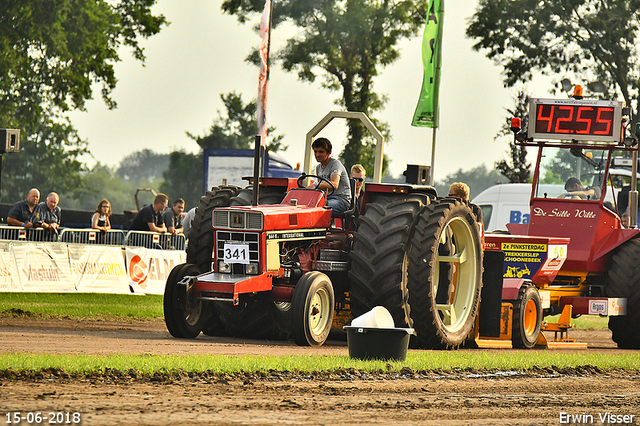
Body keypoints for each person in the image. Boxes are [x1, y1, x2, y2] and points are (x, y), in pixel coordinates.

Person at [309, 137, 351, 216]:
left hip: (341, 200)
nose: (317, 155)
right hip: (326, 198)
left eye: (321, 152)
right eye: (315, 151)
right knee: (306, 205)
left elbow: (334, 184)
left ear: (329, 152)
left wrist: (315, 185)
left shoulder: (335, 164)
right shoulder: (318, 168)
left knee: (319, 208)